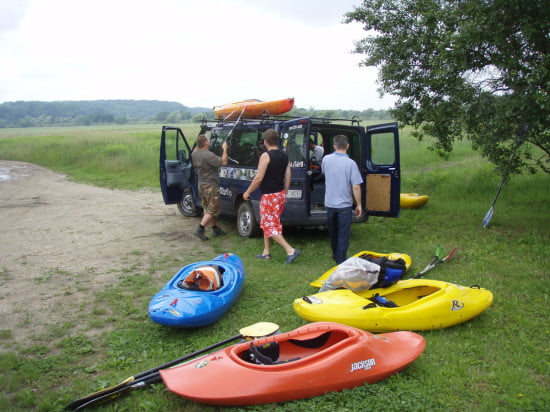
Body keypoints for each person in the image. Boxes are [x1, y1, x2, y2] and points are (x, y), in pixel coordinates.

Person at [243, 129, 301, 264]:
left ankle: (290, 250)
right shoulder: (284, 156)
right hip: (280, 194)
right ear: (277, 141)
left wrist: (247, 192)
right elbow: (288, 177)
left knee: (269, 225)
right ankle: (266, 252)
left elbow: (258, 178)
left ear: (265, 141)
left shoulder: (266, 156)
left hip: (269, 196)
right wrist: (284, 193)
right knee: (269, 222)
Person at [322, 134, 363, 264]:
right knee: (343, 233)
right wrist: (359, 205)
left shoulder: (326, 160)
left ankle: (335, 254)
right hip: (344, 205)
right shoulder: (351, 163)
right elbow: (356, 187)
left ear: (334, 146)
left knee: (333, 232)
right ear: (347, 146)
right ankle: (341, 260)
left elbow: (324, 173)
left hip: (329, 203)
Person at [191, 134, 228, 241]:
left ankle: (215, 229)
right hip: (211, 185)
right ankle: (200, 229)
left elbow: (196, 148)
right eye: (207, 139)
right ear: (206, 143)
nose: (209, 140)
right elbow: (224, 162)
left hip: (201, 185)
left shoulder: (194, 154)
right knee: (213, 209)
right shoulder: (208, 155)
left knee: (207, 208)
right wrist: (225, 149)